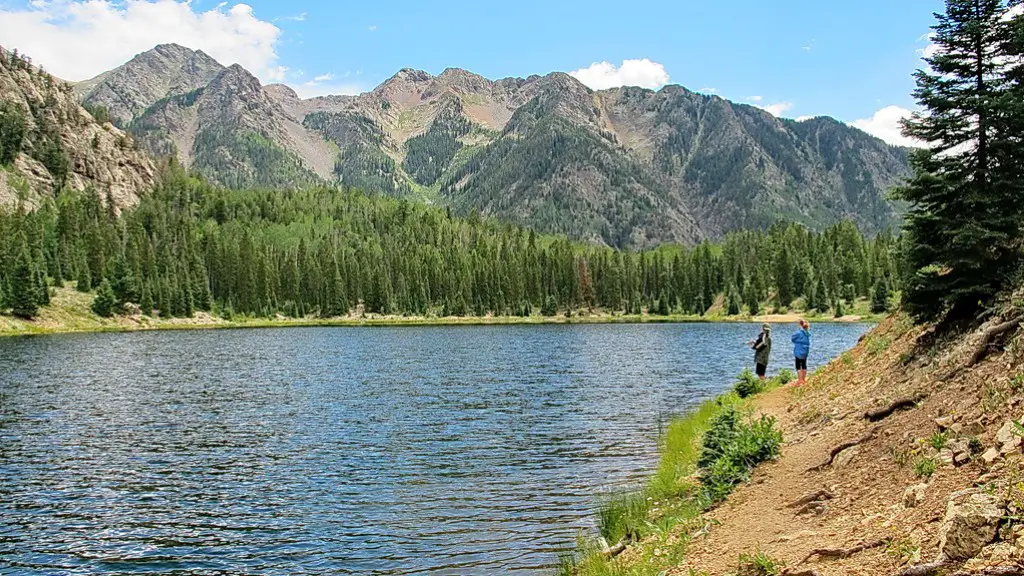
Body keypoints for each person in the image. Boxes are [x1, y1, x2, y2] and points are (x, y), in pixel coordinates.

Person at [791, 319, 811, 386]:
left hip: (798, 351)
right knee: (804, 364)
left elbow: (792, 338)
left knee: (798, 365)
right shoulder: (807, 333)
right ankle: (804, 379)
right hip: (805, 351)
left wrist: (796, 342)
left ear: (800, 325)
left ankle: (800, 380)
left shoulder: (799, 333)